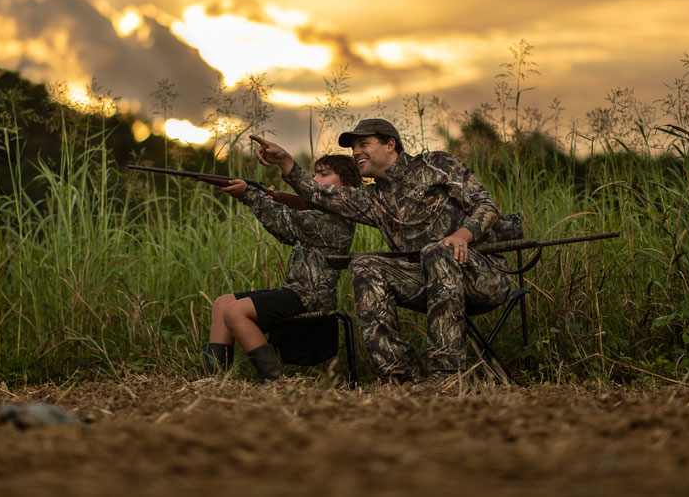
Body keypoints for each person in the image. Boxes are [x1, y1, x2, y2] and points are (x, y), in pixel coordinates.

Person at [250, 119, 512, 384]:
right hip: (424, 281)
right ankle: (399, 377)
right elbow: (320, 195)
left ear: (390, 145)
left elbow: (486, 204)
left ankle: (447, 376)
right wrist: (284, 161)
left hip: (481, 277)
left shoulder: (435, 164)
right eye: (353, 148)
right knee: (364, 264)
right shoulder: (372, 198)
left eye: (364, 143)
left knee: (436, 252)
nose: (356, 152)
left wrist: (461, 235)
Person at [203, 154, 361, 380]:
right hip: (294, 292)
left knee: (235, 311)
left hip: (311, 297)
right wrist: (269, 199)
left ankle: (277, 381)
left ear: (345, 185)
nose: (315, 178)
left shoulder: (336, 217)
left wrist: (249, 194)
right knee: (222, 303)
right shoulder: (315, 213)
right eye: (314, 173)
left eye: (324, 174)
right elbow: (286, 232)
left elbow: (288, 221)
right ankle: (214, 381)